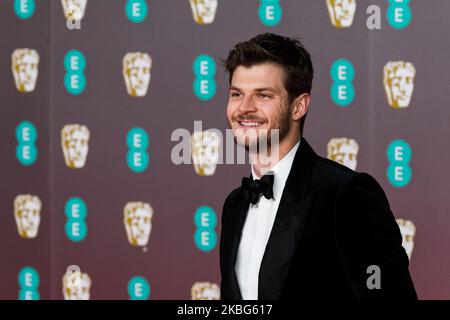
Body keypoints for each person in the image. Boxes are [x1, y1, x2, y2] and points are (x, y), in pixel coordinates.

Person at [220, 33, 417, 300]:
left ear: (298, 106)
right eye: (237, 94)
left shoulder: (346, 194)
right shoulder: (235, 205)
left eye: (263, 95)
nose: (244, 108)